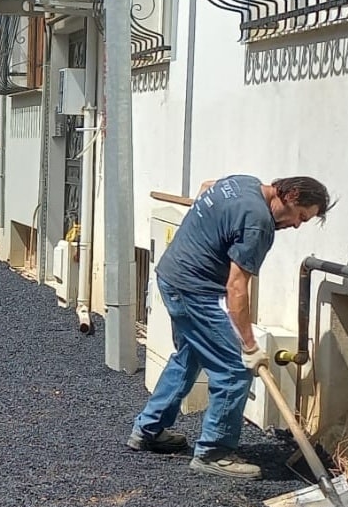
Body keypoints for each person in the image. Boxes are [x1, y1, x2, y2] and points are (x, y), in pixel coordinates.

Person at [127, 175, 334, 479]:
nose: (297, 225)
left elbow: (207, 185)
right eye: (301, 216)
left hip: (173, 275)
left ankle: (148, 429)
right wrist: (249, 346)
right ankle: (214, 452)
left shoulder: (244, 183)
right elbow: (237, 288)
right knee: (234, 369)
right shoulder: (258, 224)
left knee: (190, 356)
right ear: (289, 195)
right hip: (195, 290)